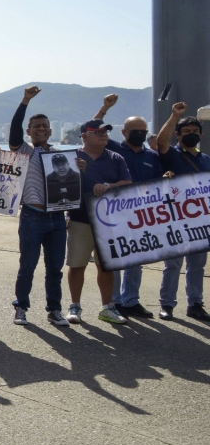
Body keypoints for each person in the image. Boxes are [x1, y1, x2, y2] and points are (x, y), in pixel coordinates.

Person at [93, 94, 165, 318]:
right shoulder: (112, 149)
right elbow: (93, 131)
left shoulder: (152, 156)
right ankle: (113, 301)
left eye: (143, 131)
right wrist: (105, 108)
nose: (140, 134)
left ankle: (131, 300)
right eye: (135, 130)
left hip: (141, 215)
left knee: (136, 259)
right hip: (114, 213)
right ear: (124, 132)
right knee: (114, 258)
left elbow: (157, 181)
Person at [8, 86, 70, 327]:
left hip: (57, 219)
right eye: (37, 126)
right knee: (28, 265)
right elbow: (14, 131)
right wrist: (25, 101)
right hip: (32, 216)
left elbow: (71, 187)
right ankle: (21, 307)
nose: (41, 129)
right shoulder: (24, 151)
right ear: (29, 132)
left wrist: (79, 171)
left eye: (45, 125)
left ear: (50, 130)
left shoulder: (62, 156)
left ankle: (54, 309)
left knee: (55, 268)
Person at [64, 120, 132, 325]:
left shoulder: (115, 157)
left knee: (107, 266)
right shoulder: (71, 157)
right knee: (77, 265)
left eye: (106, 132)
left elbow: (127, 183)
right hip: (79, 218)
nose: (104, 135)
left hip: (108, 221)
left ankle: (107, 307)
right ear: (83, 135)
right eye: (98, 132)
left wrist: (108, 185)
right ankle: (74, 306)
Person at [154, 102, 210, 322]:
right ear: (178, 135)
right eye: (186, 132)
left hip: (201, 220)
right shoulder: (172, 155)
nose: (191, 134)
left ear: (201, 134)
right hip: (175, 218)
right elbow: (160, 141)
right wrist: (175, 115)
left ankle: (195, 304)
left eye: (195, 131)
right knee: (173, 264)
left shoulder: (205, 160)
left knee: (197, 265)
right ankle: (167, 304)